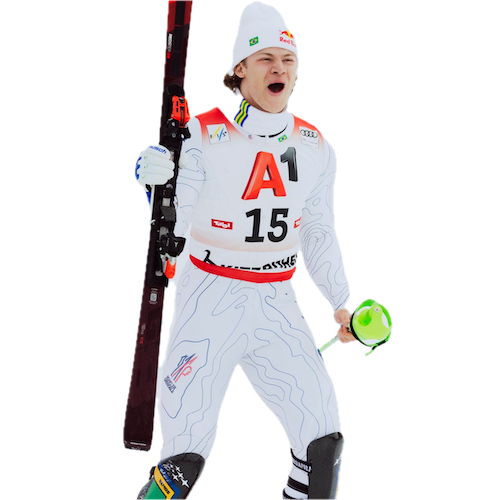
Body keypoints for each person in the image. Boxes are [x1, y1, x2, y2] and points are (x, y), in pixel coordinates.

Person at [134, 2, 354, 499]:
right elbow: (175, 220)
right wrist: (156, 183)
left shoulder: (316, 146)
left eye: (288, 59)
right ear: (239, 70)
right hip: (210, 297)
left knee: (323, 443)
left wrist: (340, 302)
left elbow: (319, 233)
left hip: (278, 300)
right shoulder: (202, 133)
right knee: (184, 460)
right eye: (265, 59)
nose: (279, 69)